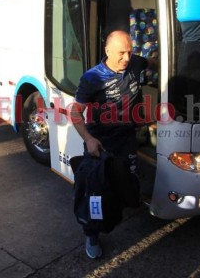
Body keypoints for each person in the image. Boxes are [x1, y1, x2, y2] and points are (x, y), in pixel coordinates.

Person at [69, 30, 155, 259]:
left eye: (130, 52)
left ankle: (121, 208)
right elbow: (75, 112)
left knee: (128, 186)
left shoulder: (134, 63)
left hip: (126, 138)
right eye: (121, 53)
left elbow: (152, 62)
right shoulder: (92, 78)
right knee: (96, 193)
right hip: (100, 143)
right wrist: (88, 139)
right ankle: (92, 234)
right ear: (107, 51)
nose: (126, 58)